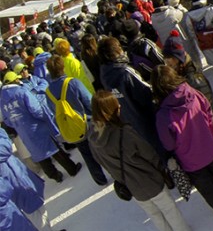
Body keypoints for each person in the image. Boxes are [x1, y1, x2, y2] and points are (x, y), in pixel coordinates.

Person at [88, 90, 192, 231]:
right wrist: (161, 169)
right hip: (150, 180)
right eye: (117, 106)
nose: (120, 108)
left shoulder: (93, 138)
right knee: (169, 209)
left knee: (154, 214)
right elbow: (149, 154)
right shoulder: (125, 133)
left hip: (131, 186)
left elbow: (101, 162)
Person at [152, 65, 213, 220]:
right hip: (210, 147)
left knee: (208, 189)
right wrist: (209, 131)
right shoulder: (191, 92)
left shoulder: (163, 115)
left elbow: (168, 144)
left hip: (191, 160)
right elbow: (208, 109)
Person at [161, 32, 213, 174]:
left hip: (209, 121)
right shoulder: (185, 73)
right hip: (205, 122)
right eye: (166, 61)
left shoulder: (193, 79)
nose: (168, 64)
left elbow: (205, 103)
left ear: (178, 58)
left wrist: (207, 123)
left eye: (170, 61)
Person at [1, 71, 82, 183]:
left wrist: (18, 125)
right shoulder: (21, 92)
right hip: (37, 126)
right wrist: (45, 117)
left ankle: (54, 175)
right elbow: (36, 110)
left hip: (24, 132)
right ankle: (72, 169)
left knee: (39, 154)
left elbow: (6, 121)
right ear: (14, 80)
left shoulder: (2, 100)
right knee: (53, 149)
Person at [98, 36, 166, 160]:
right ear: (116, 51)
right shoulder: (125, 72)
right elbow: (147, 94)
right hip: (148, 118)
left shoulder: (104, 73)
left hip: (132, 122)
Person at [44, 55, 108, 185]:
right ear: (62, 67)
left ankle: (100, 180)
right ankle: (115, 174)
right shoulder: (73, 82)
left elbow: (52, 111)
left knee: (87, 155)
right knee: (102, 150)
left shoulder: (48, 92)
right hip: (87, 123)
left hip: (71, 128)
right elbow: (89, 102)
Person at [0, 128, 67, 231]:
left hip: (12, 175)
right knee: (32, 208)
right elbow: (4, 149)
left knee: (33, 205)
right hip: (11, 178)